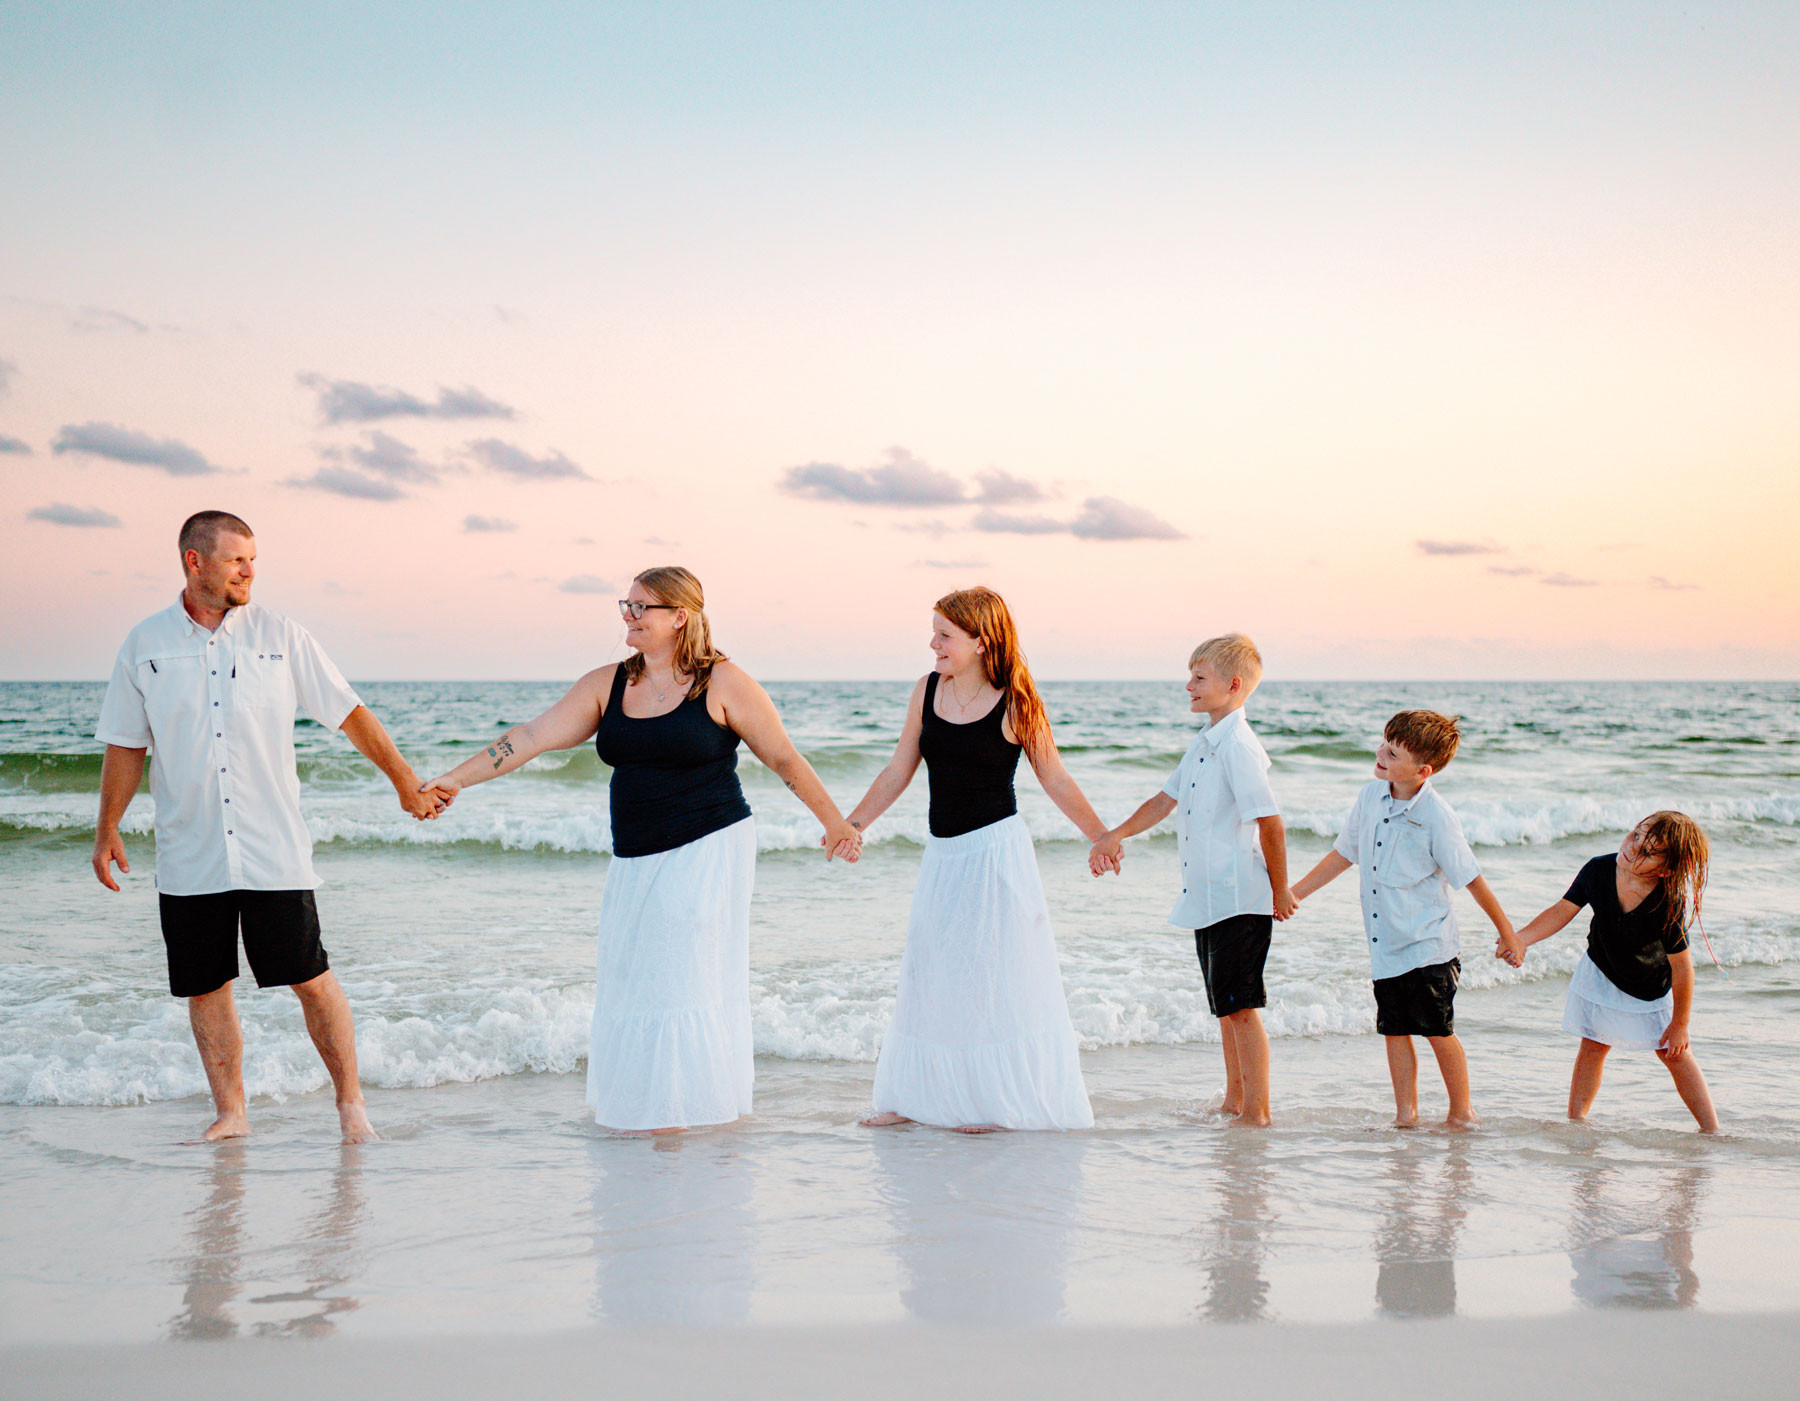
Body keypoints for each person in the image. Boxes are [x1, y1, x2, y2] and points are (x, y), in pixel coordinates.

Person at [423, 566, 860, 1134]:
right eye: (624, 606)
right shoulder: (607, 684)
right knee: (636, 977)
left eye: (640, 608)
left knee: (678, 975)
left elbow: (783, 757)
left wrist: (835, 824)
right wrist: (455, 780)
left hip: (710, 846)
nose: (627, 617)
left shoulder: (723, 683)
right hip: (634, 856)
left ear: (679, 617)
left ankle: (678, 1118)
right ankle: (657, 1109)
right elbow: (531, 736)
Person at [92, 510, 442, 1144]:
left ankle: (351, 1106)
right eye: (236, 560)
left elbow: (350, 712)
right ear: (194, 562)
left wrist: (404, 783)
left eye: (253, 559)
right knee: (206, 987)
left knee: (310, 976)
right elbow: (124, 745)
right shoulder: (145, 645)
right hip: (190, 853)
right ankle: (232, 1113)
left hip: (272, 848)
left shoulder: (280, 635)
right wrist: (107, 827)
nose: (250, 571)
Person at [850, 586, 1104, 1133]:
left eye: (945, 635)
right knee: (931, 968)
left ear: (981, 639)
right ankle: (912, 1098)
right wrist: (852, 825)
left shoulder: (1017, 700)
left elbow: (1054, 776)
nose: (933, 643)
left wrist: (1100, 835)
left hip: (996, 856)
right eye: (934, 632)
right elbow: (899, 769)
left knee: (992, 973)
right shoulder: (926, 691)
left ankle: (993, 1106)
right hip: (943, 856)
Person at [1088, 634, 1292, 1127]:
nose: (1188, 686)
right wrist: (1115, 835)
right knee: (1226, 1007)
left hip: (1240, 897)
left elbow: (1270, 820)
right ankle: (1233, 1100)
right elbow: (1164, 800)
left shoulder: (1239, 746)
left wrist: (1281, 889)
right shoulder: (1204, 743)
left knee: (1242, 1008)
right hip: (1208, 899)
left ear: (1233, 684)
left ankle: (1257, 1111)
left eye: (1199, 678)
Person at [1289, 710, 1515, 1128]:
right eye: (1383, 744)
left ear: (1423, 770)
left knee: (1437, 1030)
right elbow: (1343, 854)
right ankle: (1406, 1115)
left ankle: (1462, 1111)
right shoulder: (1368, 798)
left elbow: (1472, 880)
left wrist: (1509, 935)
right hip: (1387, 946)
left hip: (1429, 946)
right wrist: (1294, 893)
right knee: (1394, 1030)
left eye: (1392, 752)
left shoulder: (1437, 817)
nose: (1381, 754)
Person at [1511, 812, 1718, 1133]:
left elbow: (1683, 969)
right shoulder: (1598, 870)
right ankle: (1576, 1121)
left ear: (1665, 870)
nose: (1633, 847)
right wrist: (1521, 939)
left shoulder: (1668, 902)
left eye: (1648, 851)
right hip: (1602, 969)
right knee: (1593, 1044)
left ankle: (1711, 1129)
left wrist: (1680, 1024)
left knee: (1674, 1053)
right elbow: (1561, 911)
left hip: (1650, 985)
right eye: (1636, 834)